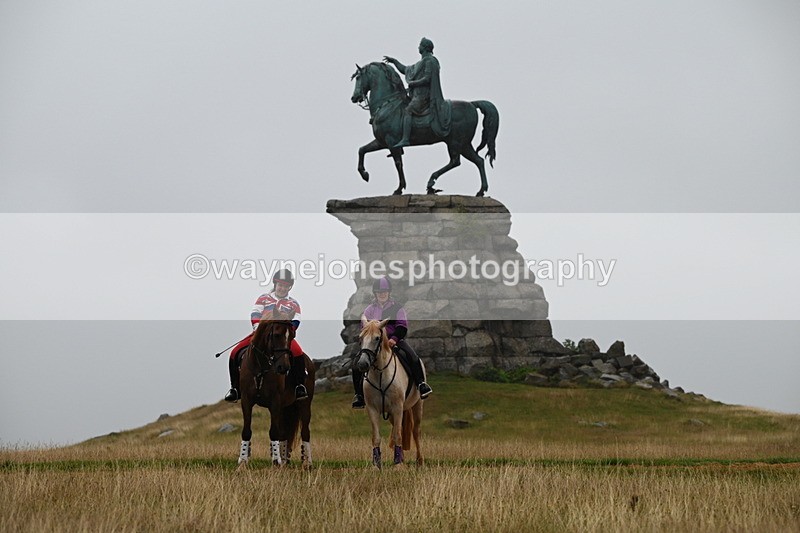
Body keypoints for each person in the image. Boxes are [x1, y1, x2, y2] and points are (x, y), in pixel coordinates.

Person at [224, 269, 308, 402]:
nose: (282, 288)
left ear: (289, 287)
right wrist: (257, 329)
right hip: (260, 334)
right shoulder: (264, 298)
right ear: (275, 284)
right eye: (280, 285)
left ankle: (299, 386)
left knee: (298, 353)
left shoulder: (293, 303)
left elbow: (296, 320)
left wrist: (287, 332)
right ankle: (235, 389)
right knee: (234, 353)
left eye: (286, 286)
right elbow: (255, 313)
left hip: (282, 337)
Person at [352, 276, 433, 409]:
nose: (382, 294)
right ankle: (359, 395)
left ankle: (421, 384)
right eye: (379, 292)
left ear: (389, 292)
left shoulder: (397, 308)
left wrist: (393, 339)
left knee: (412, 357)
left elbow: (402, 326)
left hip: (394, 340)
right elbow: (365, 328)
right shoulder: (369, 310)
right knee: (356, 363)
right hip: (374, 343)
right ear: (375, 294)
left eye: (384, 292)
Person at [383, 37, 452, 148]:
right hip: (416, 96)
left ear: (425, 47)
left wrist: (413, 83)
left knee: (408, 110)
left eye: (420, 45)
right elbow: (405, 70)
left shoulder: (430, 61)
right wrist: (394, 61)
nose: (418, 47)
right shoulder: (420, 63)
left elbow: (427, 78)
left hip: (424, 97)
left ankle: (405, 139)